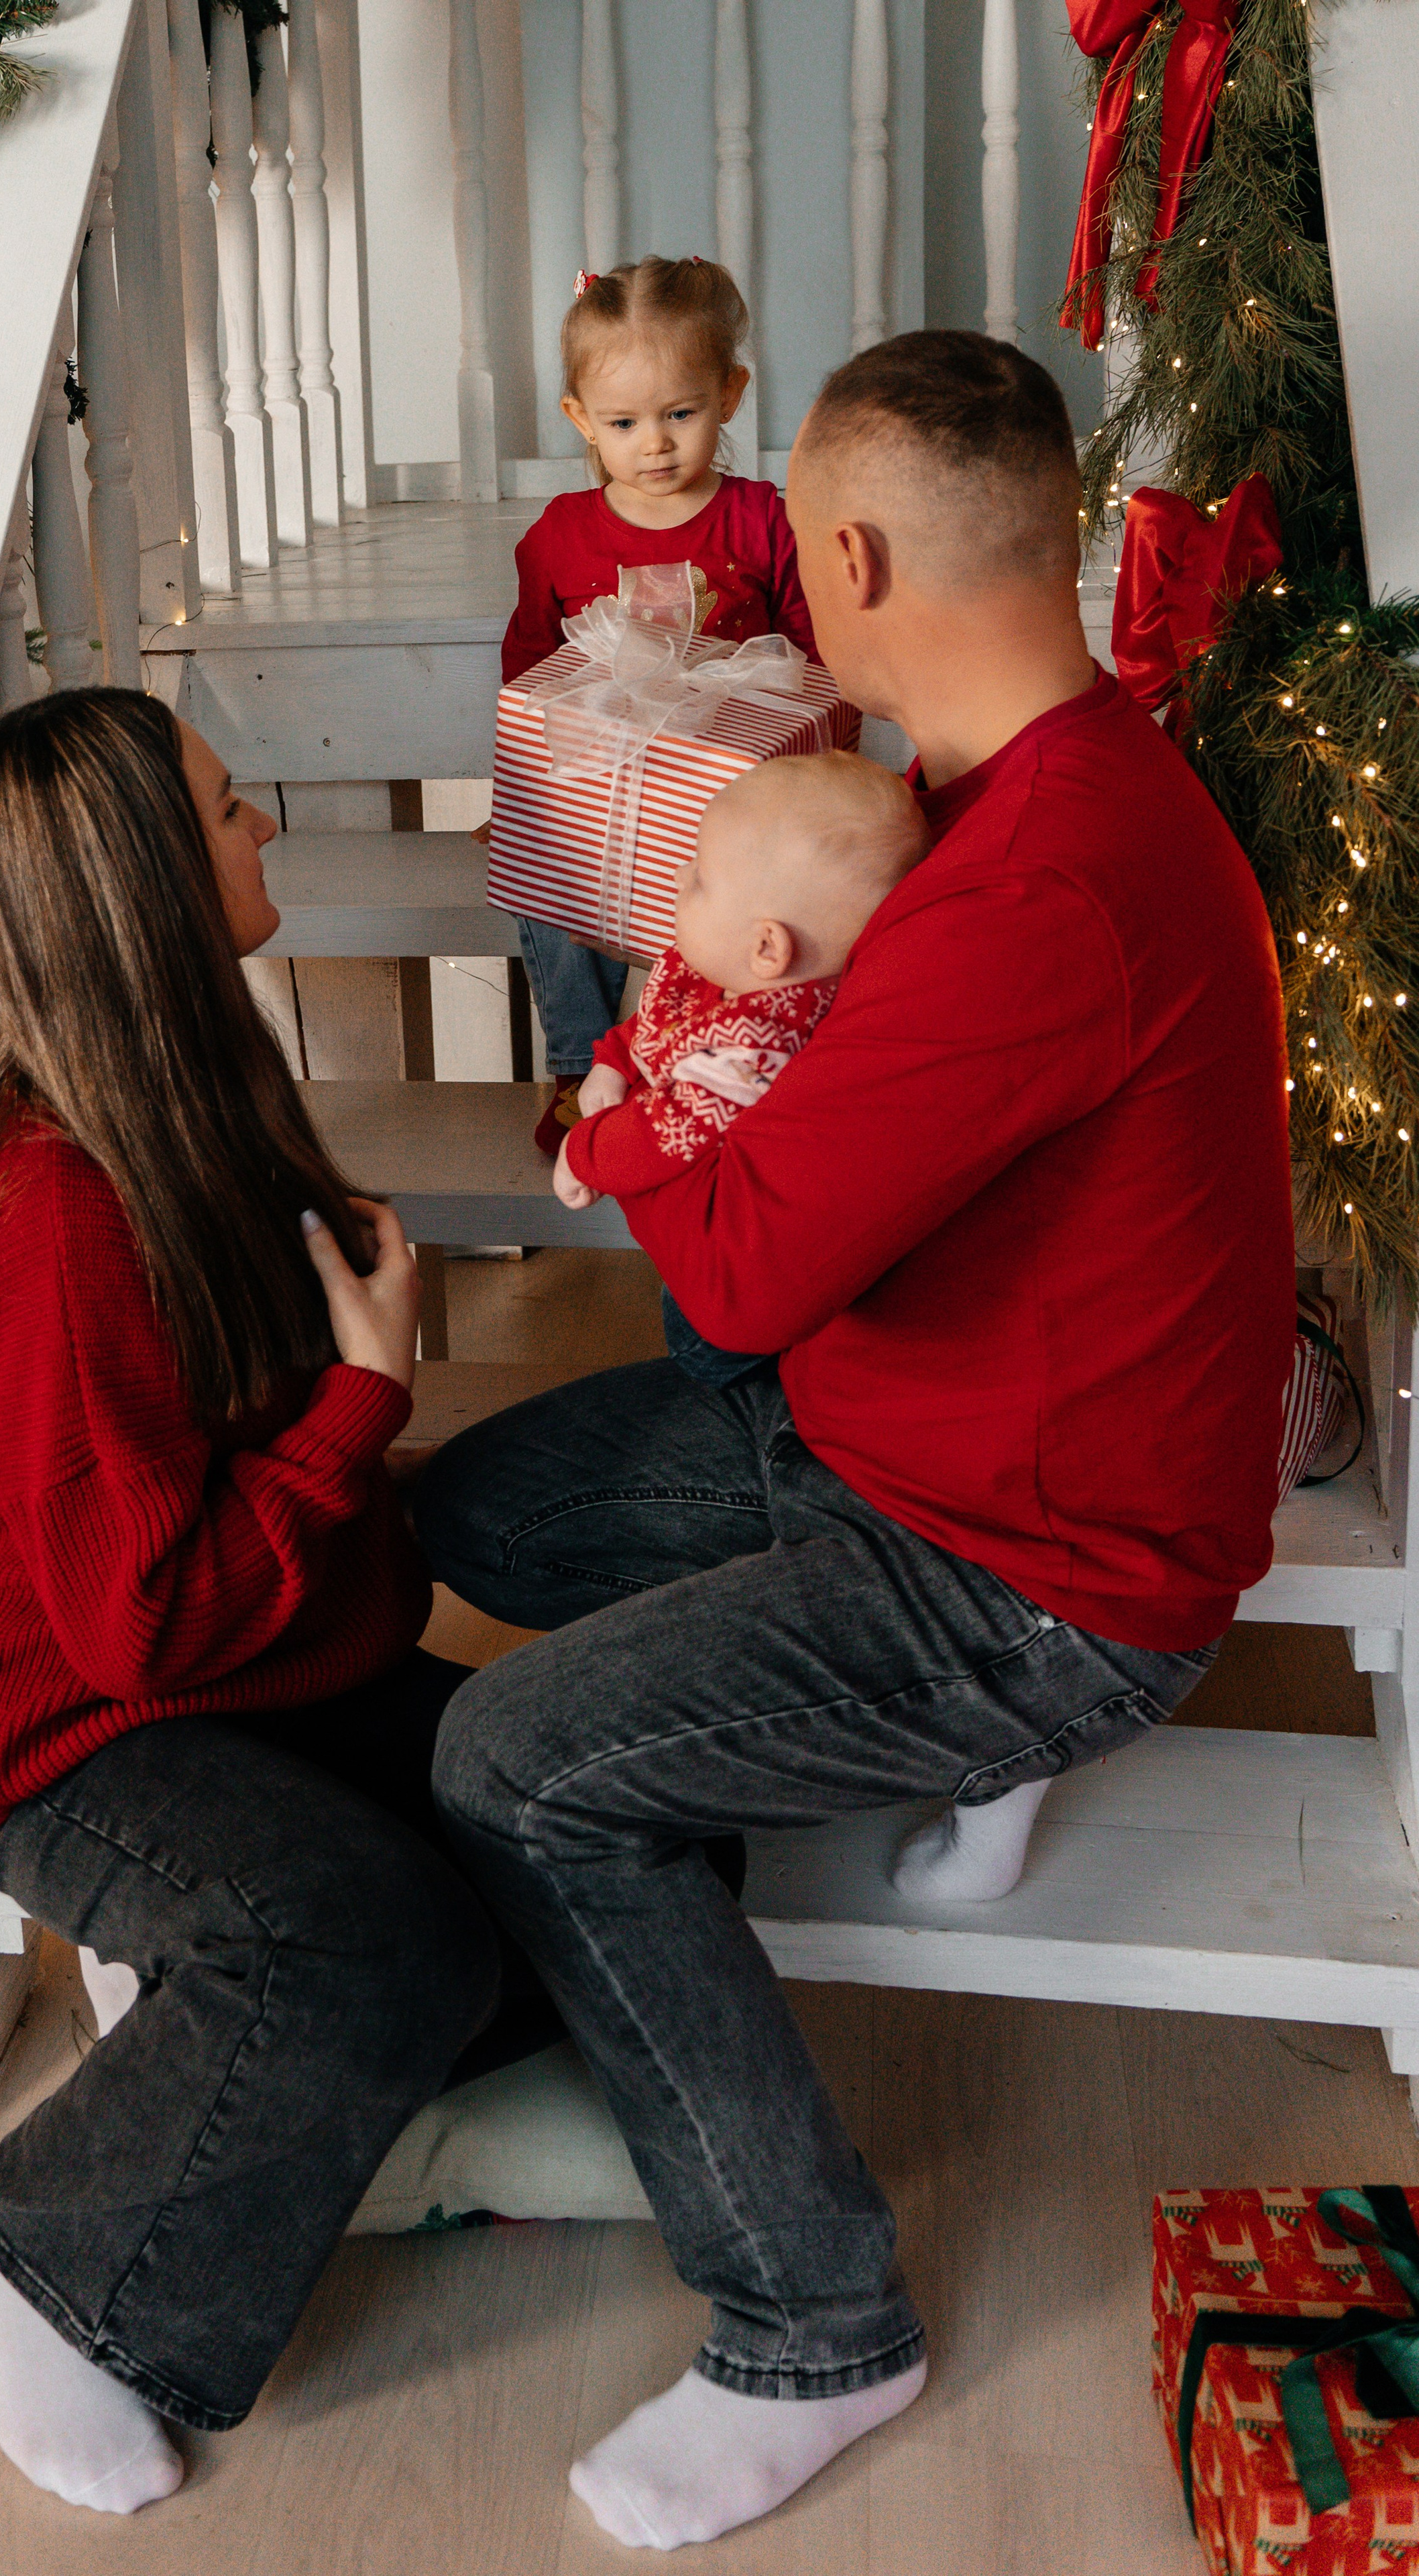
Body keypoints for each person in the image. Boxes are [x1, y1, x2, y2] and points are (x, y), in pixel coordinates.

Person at [416, 330, 1294, 2552]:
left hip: (1036, 1570)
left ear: (862, 548)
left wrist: (635, 1089)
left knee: (517, 1758)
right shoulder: (1019, 790)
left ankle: (816, 2319)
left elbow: (731, 1277)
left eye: (801, 548)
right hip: (906, 1429)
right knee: (481, 1510)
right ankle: (616, 1965)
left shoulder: (1033, 886)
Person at [0, 688, 540, 2516]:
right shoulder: (51, 1212)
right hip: (94, 1724)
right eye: (227, 811)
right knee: (373, 1948)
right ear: (141, 888)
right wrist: (365, 1401)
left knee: (594, 1823)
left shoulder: (207, 1095)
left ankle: (274, 2096)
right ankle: (50, 2256)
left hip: (263, 1667)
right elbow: (139, 1630)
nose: (261, 826)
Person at [496, 254, 819, 1159]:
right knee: (548, 882)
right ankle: (577, 1066)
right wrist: (520, 795)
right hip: (605, 785)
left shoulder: (762, 521)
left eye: (683, 413)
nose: (657, 444)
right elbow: (527, 671)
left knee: (729, 913)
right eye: (624, 422)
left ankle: (678, 1061)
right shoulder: (558, 536)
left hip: (728, 796)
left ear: (731, 391)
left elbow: (814, 661)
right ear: (579, 420)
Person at [552, 749, 929, 1385]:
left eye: (699, 878)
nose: (678, 877)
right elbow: (661, 1023)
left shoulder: (759, 1047)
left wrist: (583, 1151)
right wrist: (613, 1064)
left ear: (766, 947)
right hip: (700, 1251)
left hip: (727, 1322)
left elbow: (667, 1131)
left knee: (707, 1372)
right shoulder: (733, 983)